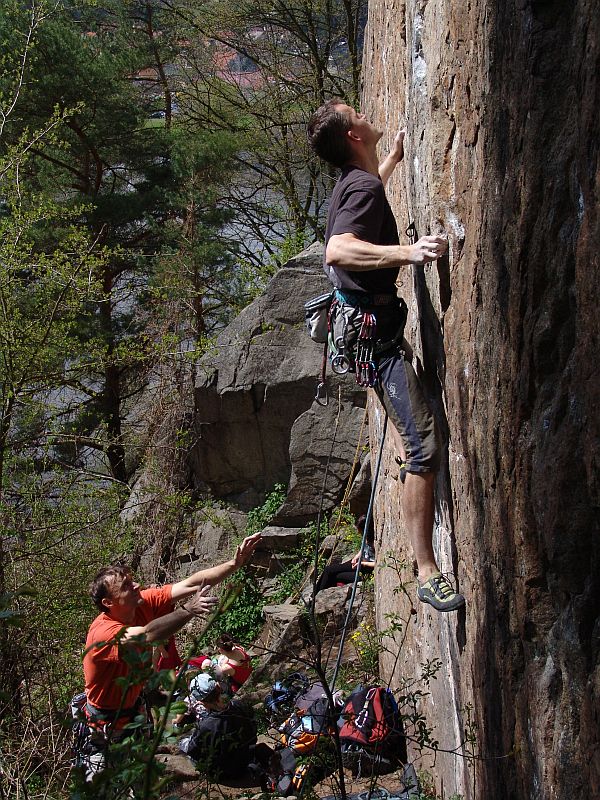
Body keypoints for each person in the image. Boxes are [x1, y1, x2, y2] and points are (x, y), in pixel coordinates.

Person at [307, 99, 465, 612]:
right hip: (373, 338)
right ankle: (426, 570)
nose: (364, 115)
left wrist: (391, 160)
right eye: (356, 113)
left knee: (411, 436)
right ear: (353, 135)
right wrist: (408, 253)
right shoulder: (363, 186)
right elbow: (338, 249)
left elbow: (365, 207)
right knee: (422, 446)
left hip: (360, 329)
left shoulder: (359, 182)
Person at [81, 532, 261, 777]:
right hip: (105, 721)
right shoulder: (102, 633)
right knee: (104, 782)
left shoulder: (142, 603)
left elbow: (191, 583)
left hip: (134, 709)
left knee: (138, 775)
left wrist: (234, 563)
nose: (136, 586)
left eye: (133, 581)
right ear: (109, 603)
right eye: (126, 586)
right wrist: (189, 610)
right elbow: (146, 635)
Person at [180, 673, 270, 781]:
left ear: (201, 701)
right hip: (245, 759)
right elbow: (253, 729)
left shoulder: (206, 726)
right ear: (218, 687)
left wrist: (183, 742)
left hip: (223, 772)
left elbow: (193, 750)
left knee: (184, 743)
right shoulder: (239, 705)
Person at [314, 514, 375, 593]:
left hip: (367, 570)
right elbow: (364, 548)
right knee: (328, 569)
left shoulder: (374, 542)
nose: (358, 532)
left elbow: (377, 563)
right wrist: (356, 557)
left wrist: (363, 563)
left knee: (336, 577)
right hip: (361, 562)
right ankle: (314, 596)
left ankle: (319, 596)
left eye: (359, 530)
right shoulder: (367, 536)